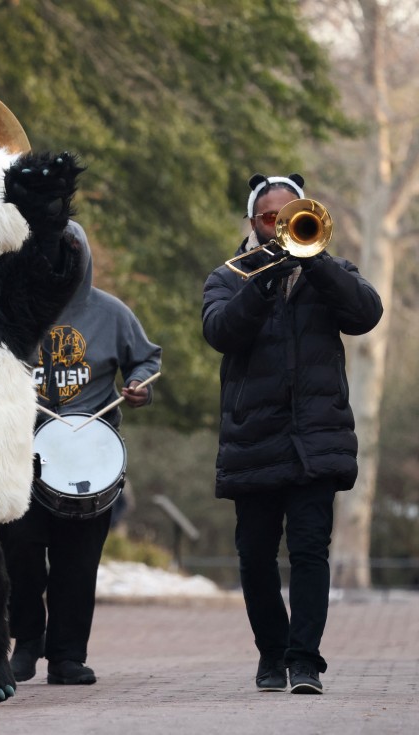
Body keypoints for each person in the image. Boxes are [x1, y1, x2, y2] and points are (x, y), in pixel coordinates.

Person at [202, 173, 382, 694]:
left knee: (309, 552)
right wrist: (260, 282)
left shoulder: (331, 271)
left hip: (315, 441)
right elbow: (220, 332)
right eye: (268, 219)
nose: (280, 227)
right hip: (253, 440)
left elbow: (366, 313)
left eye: (290, 217)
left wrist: (318, 263)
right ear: (253, 223)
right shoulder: (228, 277)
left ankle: (305, 661)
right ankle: (271, 653)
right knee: (255, 557)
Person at [0, 220, 161, 687]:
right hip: (22, 453)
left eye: (65, 256)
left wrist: (138, 388)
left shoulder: (112, 313)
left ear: (81, 259)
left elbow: (146, 361)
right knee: (20, 553)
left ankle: (68, 656)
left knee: (78, 562)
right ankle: (26, 643)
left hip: (91, 458)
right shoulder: (13, 310)